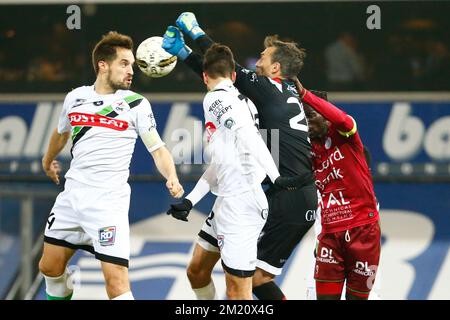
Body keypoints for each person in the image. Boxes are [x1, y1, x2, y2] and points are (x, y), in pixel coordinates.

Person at [162, 12, 317, 300]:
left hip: (287, 195)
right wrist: (183, 53)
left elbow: (224, 67)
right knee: (198, 270)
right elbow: (220, 77)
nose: (257, 61)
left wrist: (195, 35)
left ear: (276, 68)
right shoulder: (276, 93)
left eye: (263, 56)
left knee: (250, 283)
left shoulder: (269, 89)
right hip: (269, 190)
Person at [38, 31, 184, 300]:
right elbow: (61, 133)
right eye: (124, 64)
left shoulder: (136, 104)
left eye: (132, 65)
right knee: (49, 268)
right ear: (102, 65)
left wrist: (171, 176)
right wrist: (48, 161)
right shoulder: (75, 97)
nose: (132, 71)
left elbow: (158, 148)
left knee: (116, 283)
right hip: (72, 197)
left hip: (107, 203)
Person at [295, 83, 381, 300]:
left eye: (311, 116)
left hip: (362, 231)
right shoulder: (309, 147)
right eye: (303, 119)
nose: (307, 124)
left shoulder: (346, 134)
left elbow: (343, 119)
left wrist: (304, 94)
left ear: (325, 114)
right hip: (330, 235)